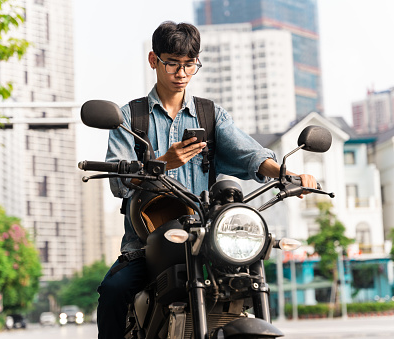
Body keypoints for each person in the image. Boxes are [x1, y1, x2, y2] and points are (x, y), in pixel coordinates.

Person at [97, 21, 317, 338]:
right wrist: (162, 162)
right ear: (153, 60)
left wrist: (287, 174)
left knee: (251, 278)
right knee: (114, 290)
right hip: (149, 245)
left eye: (189, 65)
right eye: (172, 63)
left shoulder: (211, 115)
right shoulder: (130, 117)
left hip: (208, 242)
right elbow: (118, 182)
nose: (181, 73)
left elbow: (250, 154)